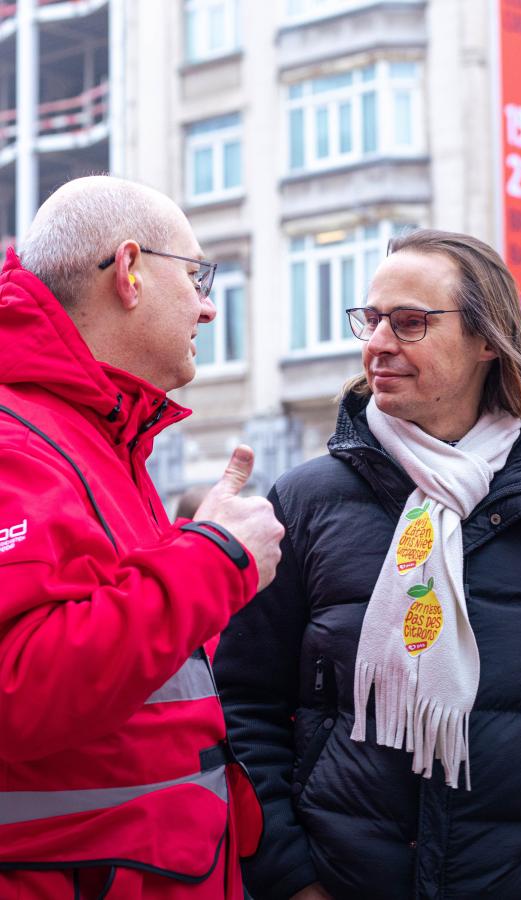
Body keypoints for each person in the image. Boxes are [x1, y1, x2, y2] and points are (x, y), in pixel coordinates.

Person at [214, 229, 521, 900]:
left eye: (410, 322)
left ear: (488, 339)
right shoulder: (306, 500)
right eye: (371, 319)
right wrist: (292, 878)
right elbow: (244, 702)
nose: (377, 343)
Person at [0, 175, 284, 899]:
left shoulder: (93, 434)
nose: (209, 306)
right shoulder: (17, 437)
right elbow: (20, 688)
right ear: (129, 271)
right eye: (196, 276)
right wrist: (217, 557)